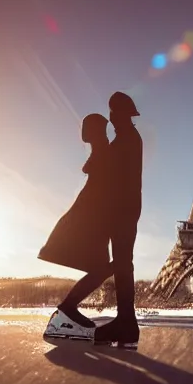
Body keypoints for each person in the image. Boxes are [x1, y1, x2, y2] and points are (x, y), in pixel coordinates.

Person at [40, 112, 114, 342]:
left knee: (102, 268)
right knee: (103, 268)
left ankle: (66, 310)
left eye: (86, 127)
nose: (83, 132)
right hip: (91, 220)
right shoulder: (104, 152)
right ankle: (66, 309)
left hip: (89, 219)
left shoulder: (100, 153)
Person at [91, 91, 143, 348]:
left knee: (123, 264)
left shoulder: (125, 141)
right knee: (123, 263)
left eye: (113, 113)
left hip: (122, 211)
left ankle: (126, 323)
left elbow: (106, 174)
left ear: (121, 115)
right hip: (126, 210)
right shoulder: (128, 139)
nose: (110, 118)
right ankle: (126, 323)